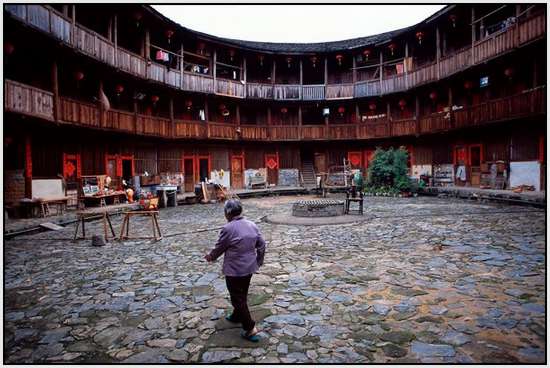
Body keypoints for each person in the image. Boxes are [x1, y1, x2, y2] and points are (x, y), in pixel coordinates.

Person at [204, 199, 266, 342]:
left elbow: (220, 247)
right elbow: (262, 245)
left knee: (237, 298)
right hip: (249, 267)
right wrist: (258, 261)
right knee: (242, 294)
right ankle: (237, 315)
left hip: (234, 270)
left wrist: (211, 257)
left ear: (228, 213)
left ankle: (250, 328)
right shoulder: (252, 225)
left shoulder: (228, 228)